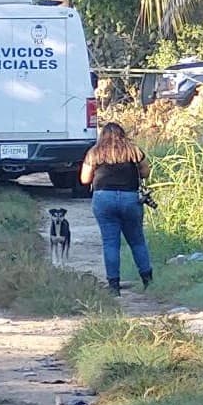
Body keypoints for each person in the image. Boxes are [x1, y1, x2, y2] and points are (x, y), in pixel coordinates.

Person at [79, 122, 153, 295]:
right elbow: (145, 172)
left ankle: (114, 286)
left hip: (104, 198)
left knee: (110, 243)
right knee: (137, 241)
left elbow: (85, 179)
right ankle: (148, 281)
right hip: (130, 198)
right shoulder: (133, 151)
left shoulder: (94, 152)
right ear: (122, 134)